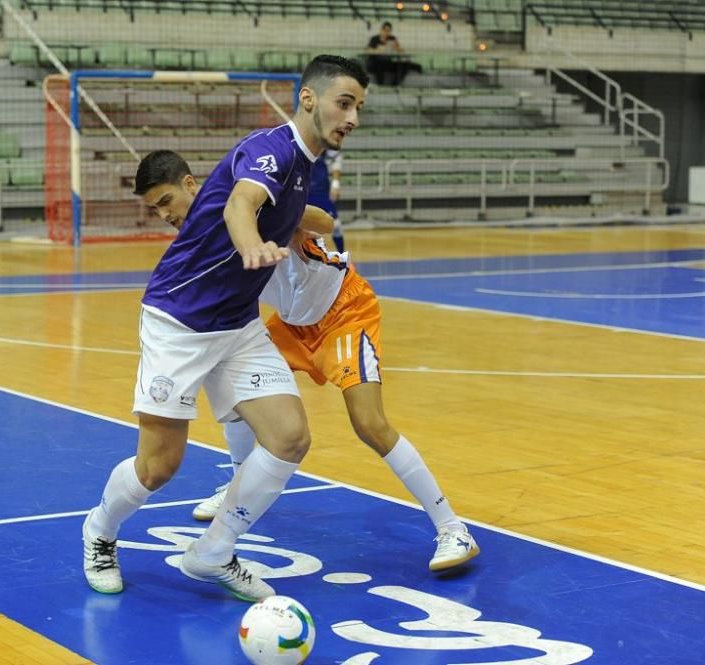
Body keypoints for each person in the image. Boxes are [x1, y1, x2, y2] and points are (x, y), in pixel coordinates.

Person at [82, 55, 369, 603]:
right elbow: (243, 204)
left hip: (236, 324)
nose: (352, 116)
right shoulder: (272, 148)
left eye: (358, 106)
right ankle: (99, 531)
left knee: (289, 438)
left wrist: (314, 223)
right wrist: (252, 245)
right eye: (345, 102)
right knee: (160, 465)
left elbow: (285, 208)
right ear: (308, 99)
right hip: (179, 321)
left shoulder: (303, 163)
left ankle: (212, 553)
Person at [141, 150, 480, 573]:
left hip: (341, 311)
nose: (163, 215)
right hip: (293, 324)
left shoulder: (248, 198)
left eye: (166, 202)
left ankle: (452, 527)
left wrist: (292, 218)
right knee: (236, 387)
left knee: (369, 424)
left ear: (190, 185)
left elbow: (325, 223)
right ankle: (238, 485)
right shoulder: (197, 238)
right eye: (154, 209)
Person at [309, 148, 346, 252]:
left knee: (336, 226)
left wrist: (335, 185)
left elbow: (337, 158)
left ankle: (342, 256)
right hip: (302, 189)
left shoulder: (324, 142)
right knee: (300, 228)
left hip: (321, 191)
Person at [365, 21, 423, 86]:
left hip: (387, 63)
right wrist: (379, 50)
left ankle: (394, 84)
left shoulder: (392, 38)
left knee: (403, 65)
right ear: (381, 30)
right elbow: (368, 50)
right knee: (379, 66)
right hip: (376, 63)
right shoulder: (375, 39)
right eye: (385, 30)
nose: (387, 32)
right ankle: (380, 85)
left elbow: (401, 50)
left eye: (389, 31)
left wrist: (396, 47)